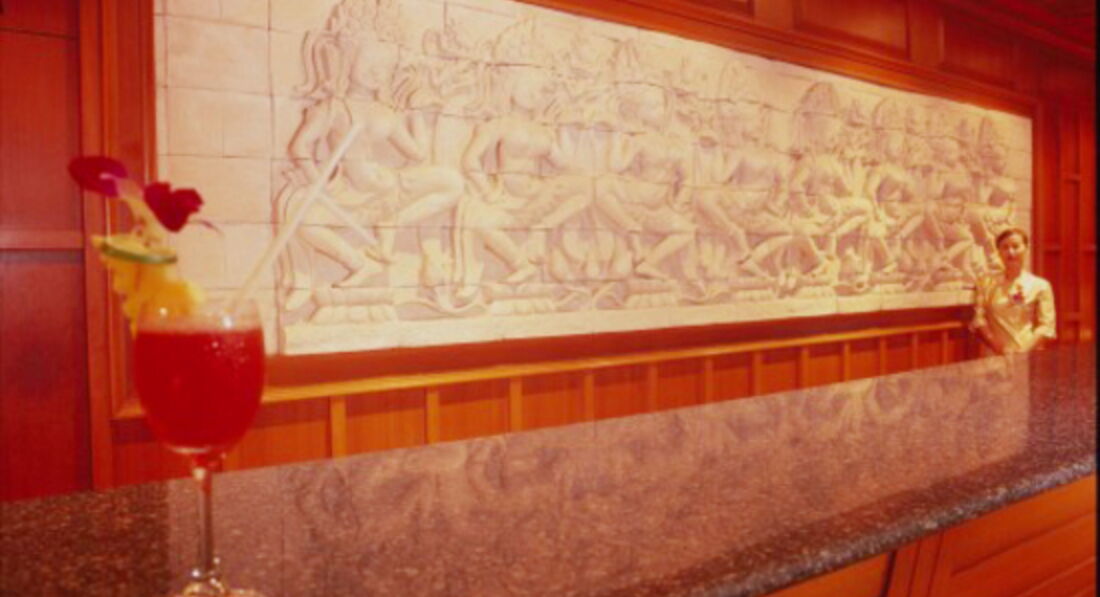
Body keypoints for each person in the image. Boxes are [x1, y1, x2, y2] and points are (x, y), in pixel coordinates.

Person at [970, 228, 1056, 355]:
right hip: (995, 353)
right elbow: (979, 320)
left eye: (1016, 246)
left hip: (1029, 353)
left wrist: (1023, 351)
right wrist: (1001, 349)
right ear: (999, 252)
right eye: (1005, 247)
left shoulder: (1040, 286)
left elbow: (1046, 326)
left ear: (1026, 248)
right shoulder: (986, 282)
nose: (1011, 252)